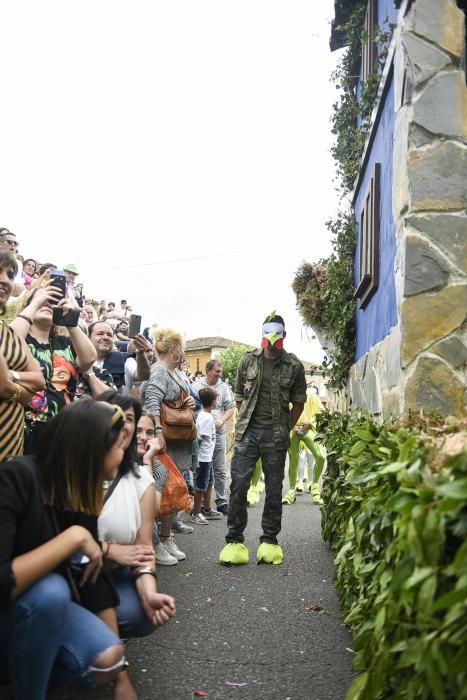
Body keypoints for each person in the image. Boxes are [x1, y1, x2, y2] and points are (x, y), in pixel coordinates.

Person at [0, 400, 131, 700]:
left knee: (107, 658)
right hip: (10, 609)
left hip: (33, 617)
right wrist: (71, 538)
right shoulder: (16, 478)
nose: (124, 455)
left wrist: (122, 675)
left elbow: (94, 579)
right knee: (51, 591)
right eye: (119, 448)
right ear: (94, 451)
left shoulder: (78, 494)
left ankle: (24, 676)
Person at [96, 391, 176, 700]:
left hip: (111, 576)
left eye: (129, 419)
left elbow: (144, 552)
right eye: (114, 414)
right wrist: (109, 550)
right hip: (70, 575)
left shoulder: (141, 480)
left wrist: (150, 592)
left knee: (141, 613)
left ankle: (102, 647)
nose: (122, 425)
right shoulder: (72, 472)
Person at [219, 313, 306, 566]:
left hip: (276, 436)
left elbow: (298, 404)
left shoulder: (294, 366)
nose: (272, 339)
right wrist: (247, 421)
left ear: (284, 335)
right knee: (239, 485)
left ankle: (269, 541)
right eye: (268, 332)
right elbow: (238, 398)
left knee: (274, 489)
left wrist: (284, 428)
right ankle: (234, 541)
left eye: (277, 333)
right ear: (262, 333)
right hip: (248, 434)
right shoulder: (248, 361)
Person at [11, 285, 97, 452]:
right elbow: (6, 341)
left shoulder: (64, 343)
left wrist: (70, 322)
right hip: (21, 429)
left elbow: (89, 359)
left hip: (60, 432)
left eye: (53, 301)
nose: (48, 303)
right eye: (44, 299)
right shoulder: (20, 337)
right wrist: (36, 302)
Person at [142, 327, 196, 565]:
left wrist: (188, 401)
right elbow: (152, 399)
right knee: (163, 488)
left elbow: (173, 400)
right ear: (174, 349)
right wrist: (157, 431)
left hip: (178, 438)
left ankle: (166, 537)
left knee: (172, 488)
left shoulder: (174, 373)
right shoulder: (159, 370)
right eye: (181, 348)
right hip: (166, 437)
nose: (183, 353)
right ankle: (155, 543)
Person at [0, 253, 45, 460]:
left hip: (12, 450)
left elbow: (39, 380)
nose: (4, 280)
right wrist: (22, 394)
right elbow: (4, 386)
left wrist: (11, 377)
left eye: (10, 275)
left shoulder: (7, 332)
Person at [192, 359, 235, 515]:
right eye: (217, 371)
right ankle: (200, 506)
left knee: (219, 468)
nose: (219, 374)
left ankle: (221, 501)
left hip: (218, 432)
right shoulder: (196, 386)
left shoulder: (224, 387)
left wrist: (221, 420)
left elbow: (230, 408)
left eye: (220, 371)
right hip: (202, 432)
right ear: (208, 370)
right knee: (202, 470)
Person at [283, 390, 326, 505]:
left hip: (308, 429)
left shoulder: (312, 396)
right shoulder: (288, 395)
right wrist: (292, 426)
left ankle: (315, 488)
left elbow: (321, 412)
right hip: (293, 430)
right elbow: (282, 412)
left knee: (320, 456)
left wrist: (310, 423)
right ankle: (291, 491)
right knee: (293, 460)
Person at [88, 321, 151, 392]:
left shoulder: (124, 359)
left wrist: (141, 353)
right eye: (100, 334)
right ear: (88, 337)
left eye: (109, 335)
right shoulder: (81, 361)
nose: (105, 337)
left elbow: (143, 376)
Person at [192, 387, 222, 524]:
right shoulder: (206, 418)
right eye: (216, 399)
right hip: (203, 459)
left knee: (210, 482)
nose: (217, 402)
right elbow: (199, 438)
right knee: (200, 486)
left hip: (207, 458)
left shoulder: (207, 416)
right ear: (212, 401)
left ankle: (207, 508)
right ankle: (196, 512)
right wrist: (195, 458)